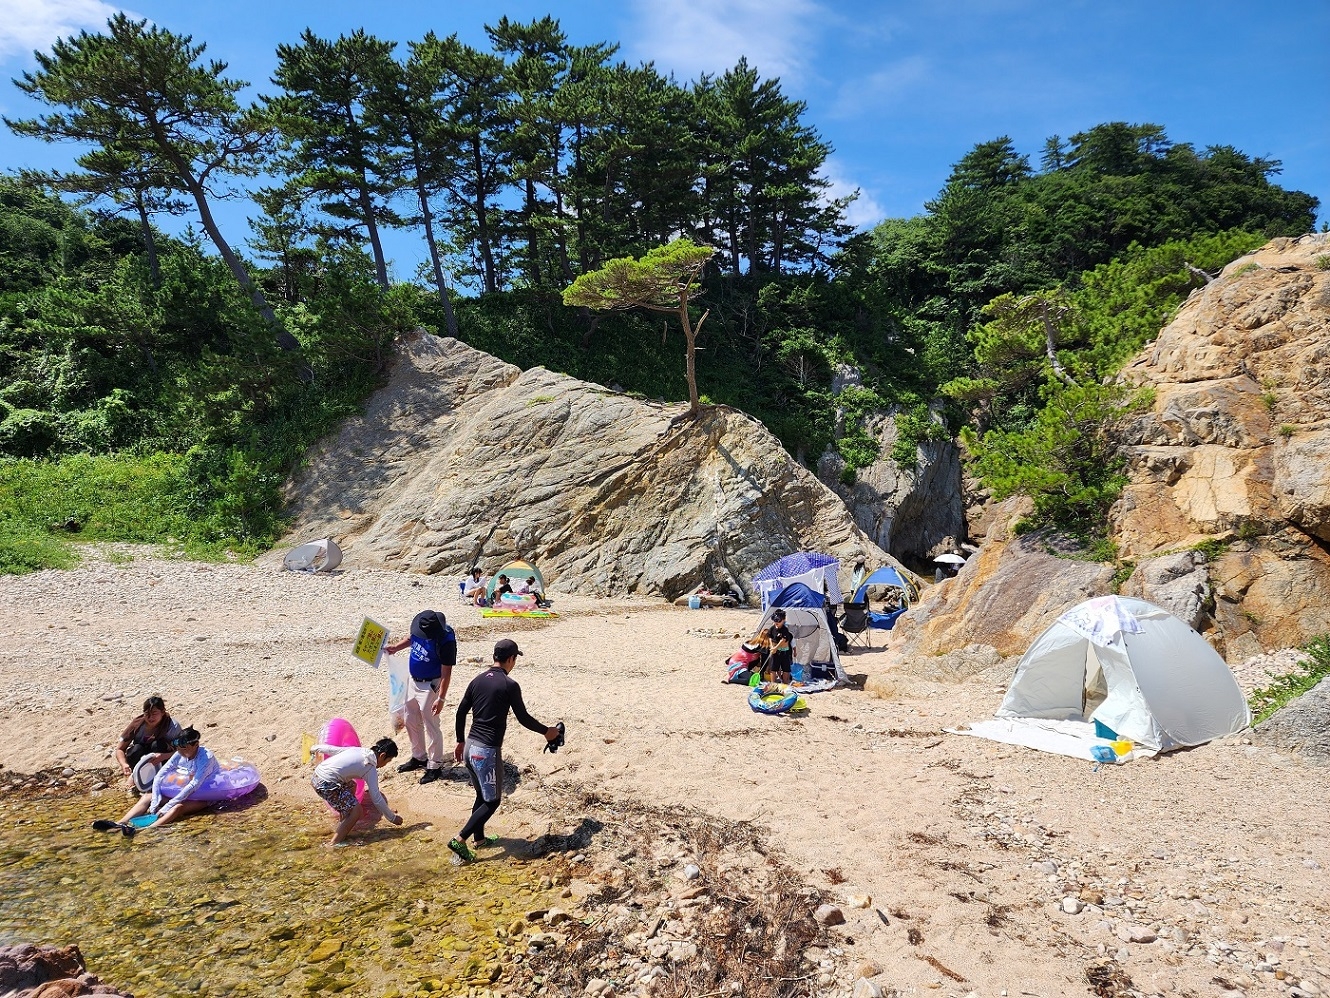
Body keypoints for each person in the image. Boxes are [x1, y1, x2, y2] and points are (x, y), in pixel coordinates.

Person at [447, 638, 561, 862]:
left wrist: (460, 741)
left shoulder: (477, 680)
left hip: (470, 746)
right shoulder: (509, 685)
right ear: (511, 659)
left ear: (493, 657)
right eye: (515, 659)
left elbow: (460, 712)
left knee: (481, 795)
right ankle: (459, 840)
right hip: (487, 751)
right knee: (492, 801)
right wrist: (547, 732)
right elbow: (524, 718)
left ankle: (479, 839)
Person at [384, 610, 456, 785]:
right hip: (413, 680)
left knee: (431, 723)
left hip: (431, 684)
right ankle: (419, 757)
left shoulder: (446, 641)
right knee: (410, 719)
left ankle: (434, 765)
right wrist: (395, 648)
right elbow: (412, 639)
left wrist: (441, 698)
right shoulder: (420, 629)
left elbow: (446, 672)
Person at [309, 736, 404, 847]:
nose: (384, 765)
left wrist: (316, 748)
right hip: (326, 784)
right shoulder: (369, 767)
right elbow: (376, 798)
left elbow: (333, 750)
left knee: (352, 786)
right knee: (357, 811)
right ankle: (333, 844)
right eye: (387, 762)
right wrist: (392, 818)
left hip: (317, 776)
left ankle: (344, 824)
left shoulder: (359, 750)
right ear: (382, 756)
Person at [118, 727, 217, 831]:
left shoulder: (206, 758)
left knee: (177, 807)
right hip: (182, 793)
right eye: (178, 748)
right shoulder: (179, 754)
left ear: (196, 745)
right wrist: (155, 802)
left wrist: (167, 806)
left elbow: (194, 784)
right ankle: (121, 823)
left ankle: (145, 830)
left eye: (184, 748)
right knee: (148, 796)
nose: (180, 752)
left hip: (203, 796)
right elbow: (159, 776)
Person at [114, 696, 181, 793]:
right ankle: (136, 775)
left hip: (161, 758)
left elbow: (182, 751)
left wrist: (164, 756)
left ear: (162, 712)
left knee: (158, 745)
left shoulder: (172, 727)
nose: (150, 718)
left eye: (154, 714)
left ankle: (158, 777)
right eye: (147, 714)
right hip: (141, 759)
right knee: (136, 749)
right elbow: (120, 749)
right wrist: (124, 764)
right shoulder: (137, 724)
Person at [764, 610, 795, 684]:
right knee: (773, 668)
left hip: (784, 652)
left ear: (784, 620)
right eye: (775, 621)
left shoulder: (785, 630)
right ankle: (773, 684)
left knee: (786, 669)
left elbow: (783, 640)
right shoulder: (772, 628)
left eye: (779, 621)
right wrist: (772, 646)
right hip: (775, 652)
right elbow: (770, 637)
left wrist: (775, 648)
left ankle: (785, 683)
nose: (776, 623)